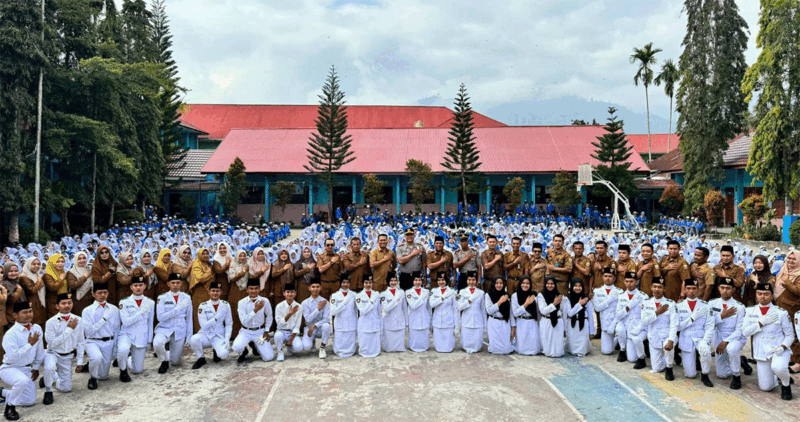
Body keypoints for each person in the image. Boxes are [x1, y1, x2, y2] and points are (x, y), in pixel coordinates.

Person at [743, 282, 794, 400]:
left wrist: (783, 346)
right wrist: (760, 323)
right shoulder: (750, 311)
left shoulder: (781, 313)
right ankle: (778, 376)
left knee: (778, 367)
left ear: (772, 295)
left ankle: (786, 384)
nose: (762, 297)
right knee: (765, 387)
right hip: (762, 351)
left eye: (766, 294)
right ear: (756, 295)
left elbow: (790, 335)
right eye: (759, 293)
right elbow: (745, 332)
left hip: (778, 349)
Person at [0, 302, 44, 421]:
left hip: (27, 368)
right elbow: (13, 356)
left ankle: (3, 393)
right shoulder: (11, 334)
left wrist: (36, 367)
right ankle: (10, 407)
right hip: (10, 368)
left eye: (30, 311)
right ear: (15, 315)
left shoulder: (36, 328)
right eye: (24, 312)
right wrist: (30, 344)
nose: (28, 315)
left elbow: (40, 351)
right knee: (22, 381)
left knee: (29, 401)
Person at [42, 292, 85, 405]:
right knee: (50, 367)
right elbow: (52, 344)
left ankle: (52, 377)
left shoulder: (78, 320)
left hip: (67, 356)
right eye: (63, 303)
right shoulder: (50, 322)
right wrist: (69, 329)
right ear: (57, 306)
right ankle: (48, 391)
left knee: (66, 388)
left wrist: (80, 361)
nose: (67, 305)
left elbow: (81, 341)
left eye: (69, 303)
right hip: (52, 353)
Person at [709, 277, 750, 389]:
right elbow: (708, 323)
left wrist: (725, 341)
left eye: (728, 288)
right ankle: (740, 361)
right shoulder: (712, 304)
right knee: (721, 375)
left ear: (733, 290)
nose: (725, 291)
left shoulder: (739, 307)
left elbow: (739, 330)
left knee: (731, 349)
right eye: (722, 287)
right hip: (719, 336)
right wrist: (721, 316)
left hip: (735, 338)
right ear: (718, 288)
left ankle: (736, 376)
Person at [675, 278, 714, 387]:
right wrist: (693, 318)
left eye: (694, 288)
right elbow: (677, 327)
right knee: (690, 375)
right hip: (686, 338)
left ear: (698, 289)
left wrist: (706, 341)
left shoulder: (706, 305)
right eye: (688, 288)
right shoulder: (678, 306)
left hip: (700, 337)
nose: (691, 291)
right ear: (685, 290)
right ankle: (695, 363)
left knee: (705, 350)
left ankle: (705, 374)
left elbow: (710, 326)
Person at [638, 276, 678, 380]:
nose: (657, 289)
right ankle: (669, 357)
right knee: (656, 369)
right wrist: (656, 313)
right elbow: (644, 321)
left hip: (667, 335)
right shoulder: (646, 303)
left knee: (668, 348)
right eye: (655, 286)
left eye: (660, 287)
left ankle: (669, 367)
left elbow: (674, 324)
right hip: (654, 336)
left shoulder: (671, 303)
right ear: (651, 287)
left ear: (664, 289)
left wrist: (671, 340)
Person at [81, 282, 119, 390]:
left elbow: (117, 329)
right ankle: (92, 378)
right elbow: (89, 331)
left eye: (105, 292)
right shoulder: (87, 311)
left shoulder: (114, 309)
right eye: (99, 293)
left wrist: (115, 347)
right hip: (92, 341)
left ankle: (90, 365)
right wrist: (104, 318)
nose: (102, 295)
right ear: (93, 294)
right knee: (97, 357)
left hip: (108, 342)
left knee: (103, 377)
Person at [117, 276, 154, 382]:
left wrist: (149, 340)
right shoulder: (124, 302)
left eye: (141, 285)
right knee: (123, 350)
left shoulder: (150, 302)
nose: (138, 288)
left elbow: (150, 322)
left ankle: (127, 359)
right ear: (131, 287)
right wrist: (141, 312)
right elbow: (126, 322)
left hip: (141, 335)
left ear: (144, 286)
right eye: (136, 285)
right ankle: (122, 370)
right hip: (127, 333)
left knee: (137, 370)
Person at [154, 274, 193, 374]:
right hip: (165, 328)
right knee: (157, 343)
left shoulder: (186, 297)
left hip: (179, 329)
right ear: (168, 284)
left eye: (178, 283)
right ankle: (164, 361)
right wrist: (178, 309)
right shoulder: (162, 298)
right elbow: (160, 317)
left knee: (175, 362)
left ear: (181, 283)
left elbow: (189, 318)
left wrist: (189, 336)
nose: (175, 285)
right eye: (173, 283)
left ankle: (167, 351)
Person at [190, 281, 232, 369]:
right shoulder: (203, 306)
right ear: (209, 292)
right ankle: (200, 358)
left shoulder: (225, 305)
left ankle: (216, 351)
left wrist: (227, 338)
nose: (215, 293)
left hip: (218, 335)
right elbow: (204, 325)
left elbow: (229, 323)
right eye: (213, 291)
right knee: (194, 339)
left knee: (223, 355)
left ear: (221, 292)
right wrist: (216, 318)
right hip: (206, 335)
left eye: (217, 291)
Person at [233, 277, 274, 363]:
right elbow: (244, 321)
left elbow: (269, 316)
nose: (254, 291)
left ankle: (254, 345)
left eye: (256, 288)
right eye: (251, 288)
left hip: (259, 331)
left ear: (259, 289)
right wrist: (255, 310)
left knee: (268, 357)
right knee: (236, 347)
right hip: (246, 331)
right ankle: (244, 351)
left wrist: (266, 331)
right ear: (247, 290)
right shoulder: (242, 302)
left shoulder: (265, 301)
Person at [774, 250, 800, 369]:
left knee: (794, 334)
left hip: (793, 308)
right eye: (789, 258)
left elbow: (798, 291)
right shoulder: (783, 270)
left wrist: (788, 283)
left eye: (794, 259)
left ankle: (798, 362)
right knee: (784, 332)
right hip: (780, 306)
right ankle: (789, 356)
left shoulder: (798, 274)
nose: (790, 261)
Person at [614, 272, 647, 364]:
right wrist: (628, 307)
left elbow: (645, 315)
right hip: (625, 326)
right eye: (627, 281)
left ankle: (643, 346)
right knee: (619, 328)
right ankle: (622, 349)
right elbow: (618, 315)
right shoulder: (621, 296)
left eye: (631, 281)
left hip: (636, 327)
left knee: (632, 359)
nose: (629, 284)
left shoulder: (643, 296)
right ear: (624, 282)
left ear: (637, 282)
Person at [593, 268, 621, 355]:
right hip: (605, 323)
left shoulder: (620, 291)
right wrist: (610, 300)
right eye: (605, 276)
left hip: (617, 322)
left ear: (614, 278)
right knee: (607, 351)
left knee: (622, 332)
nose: (607, 278)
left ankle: (617, 339)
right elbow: (597, 308)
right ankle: (615, 341)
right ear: (602, 277)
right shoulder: (597, 291)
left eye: (610, 276)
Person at [300, 279, 330, 359]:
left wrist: (315, 325)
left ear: (321, 288)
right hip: (309, 329)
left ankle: (322, 347)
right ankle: (312, 342)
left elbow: (327, 319)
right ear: (309, 288)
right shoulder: (305, 303)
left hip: (320, 328)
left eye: (317, 287)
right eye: (313, 287)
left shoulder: (325, 302)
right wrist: (318, 309)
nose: (315, 289)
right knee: (306, 347)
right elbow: (308, 319)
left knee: (327, 326)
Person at [511, 276, 541, 355]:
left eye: (527, 283)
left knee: (534, 350)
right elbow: (515, 313)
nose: (525, 285)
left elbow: (538, 312)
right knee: (521, 350)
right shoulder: (515, 296)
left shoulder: (534, 296)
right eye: (523, 283)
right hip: (521, 322)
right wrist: (526, 304)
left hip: (532, 323)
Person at [537, 276, 566, 358]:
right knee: (547, 348)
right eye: (548, 283)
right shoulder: (541, 295)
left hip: (558, 321)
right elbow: (543, 311)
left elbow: (563, 311)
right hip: (547, 321)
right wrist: (554, 304)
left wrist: (565, 327)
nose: (550, 286)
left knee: (558, 350)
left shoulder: (560, 296)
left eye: (552, 284)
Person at [274, 284, 303, 362]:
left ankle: (290, 347)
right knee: (278, 336)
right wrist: (290, 314)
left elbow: (297, 325)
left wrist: (291, 339)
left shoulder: (299, 306)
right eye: (287, 292)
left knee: (299, 347)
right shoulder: (279, 306)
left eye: (292, 292)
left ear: (295, 293)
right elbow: (279, 324)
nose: (290, 294)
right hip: (281, 331)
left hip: (292, 332)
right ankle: (280, 352)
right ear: (284, 294)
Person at [564, 279, 593, 357]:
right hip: (572, 325)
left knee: (582, 348)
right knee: (572, 347)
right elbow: (570, 313)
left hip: (584, 325)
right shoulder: (567, 299)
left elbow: (590, 317)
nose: (577, 288)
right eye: (575, 286)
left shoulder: (586, 299)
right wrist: (579, 304)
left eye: (580, 286)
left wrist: (591, 332)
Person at [485, 276, 514, 355]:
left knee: (506, 349)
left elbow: (510, 312)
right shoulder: (488, 295)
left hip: (504, 323)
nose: (499, 285)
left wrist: (513, 327)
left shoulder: (506, 295)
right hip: (493, 322)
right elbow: (489, 311)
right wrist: (500, 302)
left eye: (501, 283)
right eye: (497, 283)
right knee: (494, 349)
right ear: (493, 284)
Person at [430, 273, 458, 353]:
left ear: (446, 281)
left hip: (448, 320)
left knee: (448, 345)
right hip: (437, 320)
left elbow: (456, 309)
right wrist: (441, 298)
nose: (441, 282)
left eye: (443, 280)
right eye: (439, 280)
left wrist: (456, 325)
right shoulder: (433, 291)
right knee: (438, 345)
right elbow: (432, 304)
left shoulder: (452, 292)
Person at [330, 277, 357, 358]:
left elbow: (356, 310)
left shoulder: (354, 295)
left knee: (350, 338)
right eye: (343, 282)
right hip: (340, 321)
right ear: (340, 283)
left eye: (347, 282)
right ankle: (339, 351)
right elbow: (333, 312)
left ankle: (351, 351)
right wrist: (344, 303)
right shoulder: (334, 295)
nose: (345, 284)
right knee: (340, 338)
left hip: (351, 321)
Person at [458, 274, 486, 353]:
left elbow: (483, 309)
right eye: (469, 280)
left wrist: (485, 324)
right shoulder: (462, 292)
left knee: (477, 339)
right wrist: (469, 300)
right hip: (467, 318)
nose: (471, 282)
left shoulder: (481, 293)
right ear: (466, 281)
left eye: (473, 280)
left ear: (476, 281)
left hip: (478, 319)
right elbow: (459, 307)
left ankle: (476, 347)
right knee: (466, 337)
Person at [189, 248, 215, 333]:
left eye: (207, 254)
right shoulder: (197, 264)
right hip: (200, 292)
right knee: (200, 313)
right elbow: (200, 278)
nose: (205, 255)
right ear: (199, 255)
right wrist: (208, 272)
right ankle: (199, 333)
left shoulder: (208, 264)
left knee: (208, 313)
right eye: (203, 254)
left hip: (208, 292)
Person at [380, 272, 406, 353]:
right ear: (388, 281)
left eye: (395, 281)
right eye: (391, 281)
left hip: (399, 320)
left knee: (400, 346)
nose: (393, 283)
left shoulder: (401, 292)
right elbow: (386, 308)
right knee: (389, 347)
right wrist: (395, 299)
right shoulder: (383, 294)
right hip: (389, 321)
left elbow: (404, 308)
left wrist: (406, 321)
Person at [356, 277, 382, 358]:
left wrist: (380, 322)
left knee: (374, 340)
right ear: (363, 284)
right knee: (365, 340)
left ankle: (375, 351)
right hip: (364, 321)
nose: (368, 285)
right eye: (366, 283)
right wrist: (371, 301)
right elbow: (363, 311)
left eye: (370, 283)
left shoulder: (376, 294)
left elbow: (379, 311)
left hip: (375, 320)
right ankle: (364, 352)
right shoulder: (359, 295)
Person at [227, 250, 249, 338]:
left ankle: (246, 334)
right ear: (237, 257)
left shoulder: (248, 265)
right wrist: (242, 272)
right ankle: (234, 334)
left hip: (245, 291)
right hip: (235, 290)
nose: (242, 258)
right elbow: (232, 278)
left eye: (244, 256)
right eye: (240, 256)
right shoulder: (233, 265)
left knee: (245, 312)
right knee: (234, 311)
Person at [18, 258, 46, 330]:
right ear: (28, 265)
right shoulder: (24, 277)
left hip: (39, 304)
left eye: (38, 264)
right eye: (34, 264)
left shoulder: (37, 275)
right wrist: (39, 282)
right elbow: (32, 290)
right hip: (31, 305)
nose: (36, 266)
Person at [406, 274, 431, 353]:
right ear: (413, 281)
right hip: (414, 317)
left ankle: (425, 346)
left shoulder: (426, 291)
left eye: (419, 280)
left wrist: (429, 318)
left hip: (424, 316)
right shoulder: (408, 292)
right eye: (416, 280)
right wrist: (422, 297)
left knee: (424, 335)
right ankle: (413, 347)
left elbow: (428, 307)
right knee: (414, 335)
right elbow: (413, 305)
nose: (418, 282)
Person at [66, 251, 93, 317]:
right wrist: (84, 277)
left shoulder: (89, 269)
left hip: (91, 300)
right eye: (79, 259)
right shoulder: (71, 272)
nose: (82, 260)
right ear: (75, 260)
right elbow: (72, 285)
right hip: (78, 301)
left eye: (84, 258)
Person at [43, 254, 69, 320]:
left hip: (63, 302)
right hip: (53, 304)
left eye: (62, 262)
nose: (60, 264)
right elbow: (52, 288)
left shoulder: (63, 273)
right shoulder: (47, 275)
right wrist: (60, 279)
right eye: (57, 262)